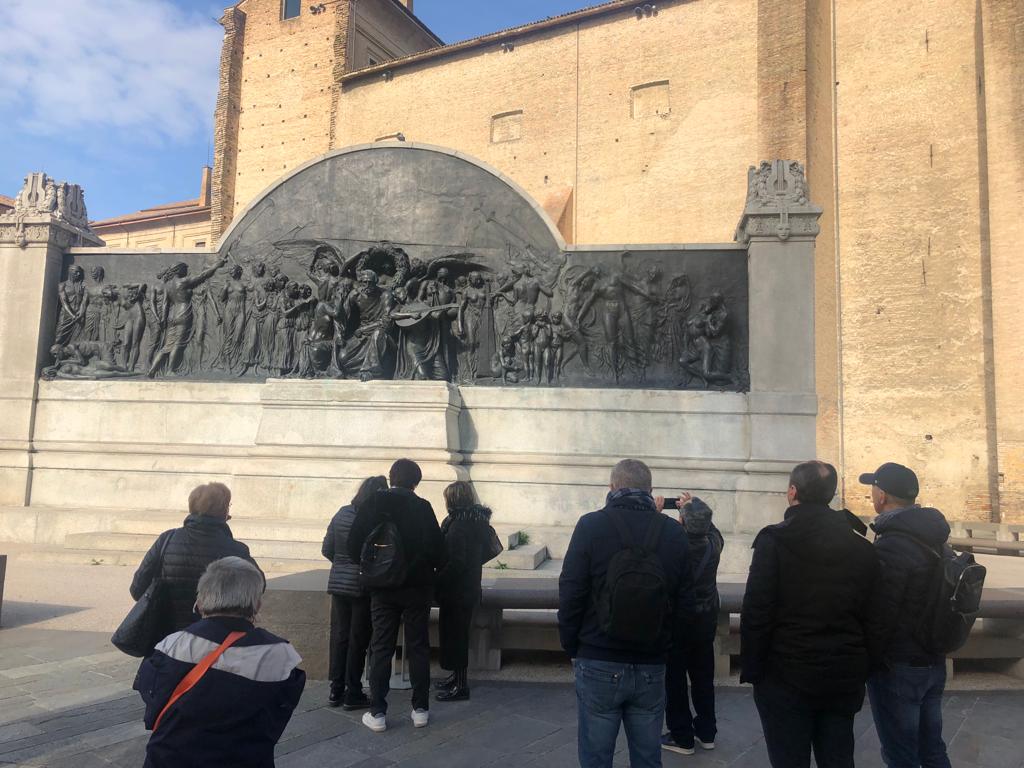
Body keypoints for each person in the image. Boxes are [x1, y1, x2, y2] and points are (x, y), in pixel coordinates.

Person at [741, 460, 880, 768]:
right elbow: (874, 615)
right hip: (842, 673)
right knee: (838, 758)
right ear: (831, 494)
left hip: (785, 673)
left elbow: (757, 611)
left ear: (793, 492)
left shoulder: (774, 541)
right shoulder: (862, 547)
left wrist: (754, 670)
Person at [558, 459, 696, 768]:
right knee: (648, 758)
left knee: (596, 758)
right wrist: (667, 649)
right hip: (651, 661)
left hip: (598, 656)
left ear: (612, 487)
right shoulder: (673, 533)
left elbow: (571, 592)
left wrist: (573, 646)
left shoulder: (590, 526)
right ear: (651, 490)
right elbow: (687, 603)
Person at [134, 557, 305, 768]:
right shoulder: (281, 654)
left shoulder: (172, 645)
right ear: (257, 604)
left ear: (201, 601)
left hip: (170, 759)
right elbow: (278, 713)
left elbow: (151, 697)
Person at [863, 462, 953, 768]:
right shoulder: (936, 537)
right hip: (933, 659)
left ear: (882, 496)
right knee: (933, 750)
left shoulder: (892, 544)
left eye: (873, 488)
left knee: (901, 755)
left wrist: (869, 660)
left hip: (899, 665)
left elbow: (881, 613)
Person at [348, 458, 445, 732]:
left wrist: (373, 568)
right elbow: (439, 551)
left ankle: (377, 711)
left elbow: (353, 544)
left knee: (381, 646)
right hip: (417, 588)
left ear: (391, 478)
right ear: (416, 482)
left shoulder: (374, 503)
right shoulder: (423, 507)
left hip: (382, 588)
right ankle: (420, 709)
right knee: (418, 646)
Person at [130, 482, 262, 635]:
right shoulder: (236, 549)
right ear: (224, 511)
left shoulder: (167, 539)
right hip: (215, 637)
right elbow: (259, 586)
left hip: (167, 636)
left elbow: (137, 589)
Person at [659, 493, 724, 755]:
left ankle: (682, 736)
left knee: (675, 680)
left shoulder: (674, 547)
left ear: (682, 522)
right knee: (703, 678)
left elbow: (653, 539)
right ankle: (707, 732)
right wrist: (694, 505)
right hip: (705, 621)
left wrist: (655, 513)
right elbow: (711, 528)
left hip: (679, 623)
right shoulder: (714, 544)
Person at [321, 475, 388, 710]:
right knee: (358, 641)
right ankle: (353, 691)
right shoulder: (375, 519)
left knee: (340, 637)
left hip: (339, 584)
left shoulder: (342, 513)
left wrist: (341, 566)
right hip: (362, 586)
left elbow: (327, 548)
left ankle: (335, 689)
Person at [434, 480, 494, 702]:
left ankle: (461, 686)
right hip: (468, 587)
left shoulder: (459, 525)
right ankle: (456, 678)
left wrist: (437, 579)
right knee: (455, 636)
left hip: (456, 591)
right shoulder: (476, 522)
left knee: (456, 638)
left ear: (453, 499)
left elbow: (456, 562)